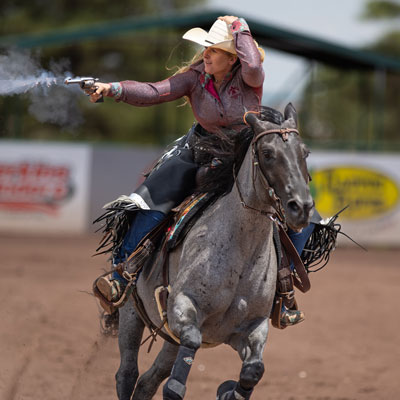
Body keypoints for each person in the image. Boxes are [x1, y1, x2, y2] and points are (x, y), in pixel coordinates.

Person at [90, 15, 309, 328]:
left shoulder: (249, 77)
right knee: (151, 196)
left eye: (214, 50)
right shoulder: (194, 76)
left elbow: (254, 66)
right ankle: (122, 275)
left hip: (244, 153)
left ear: (233, 58)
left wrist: (240, 28)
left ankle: (280, 291)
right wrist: (113, 88)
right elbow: (155, 91)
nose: (205, 54)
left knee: (302, 212)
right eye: (206, 48)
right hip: (200, 149)